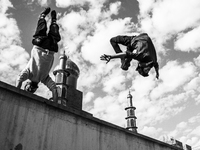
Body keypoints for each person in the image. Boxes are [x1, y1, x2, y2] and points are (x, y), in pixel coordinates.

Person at [16, 7, 61, 102]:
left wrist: (16, 93)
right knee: (52, 33)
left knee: (42, 29)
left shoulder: (29, 73)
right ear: (36, 88)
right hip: (49, 47)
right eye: (32, 91)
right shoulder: (44, 79)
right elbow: (54, 89)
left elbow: (19, 80)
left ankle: (44, 17)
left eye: (27, 89)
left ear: (27, 83)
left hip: (42, 46)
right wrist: (56, 105)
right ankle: (52, 20)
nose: (30, 90)